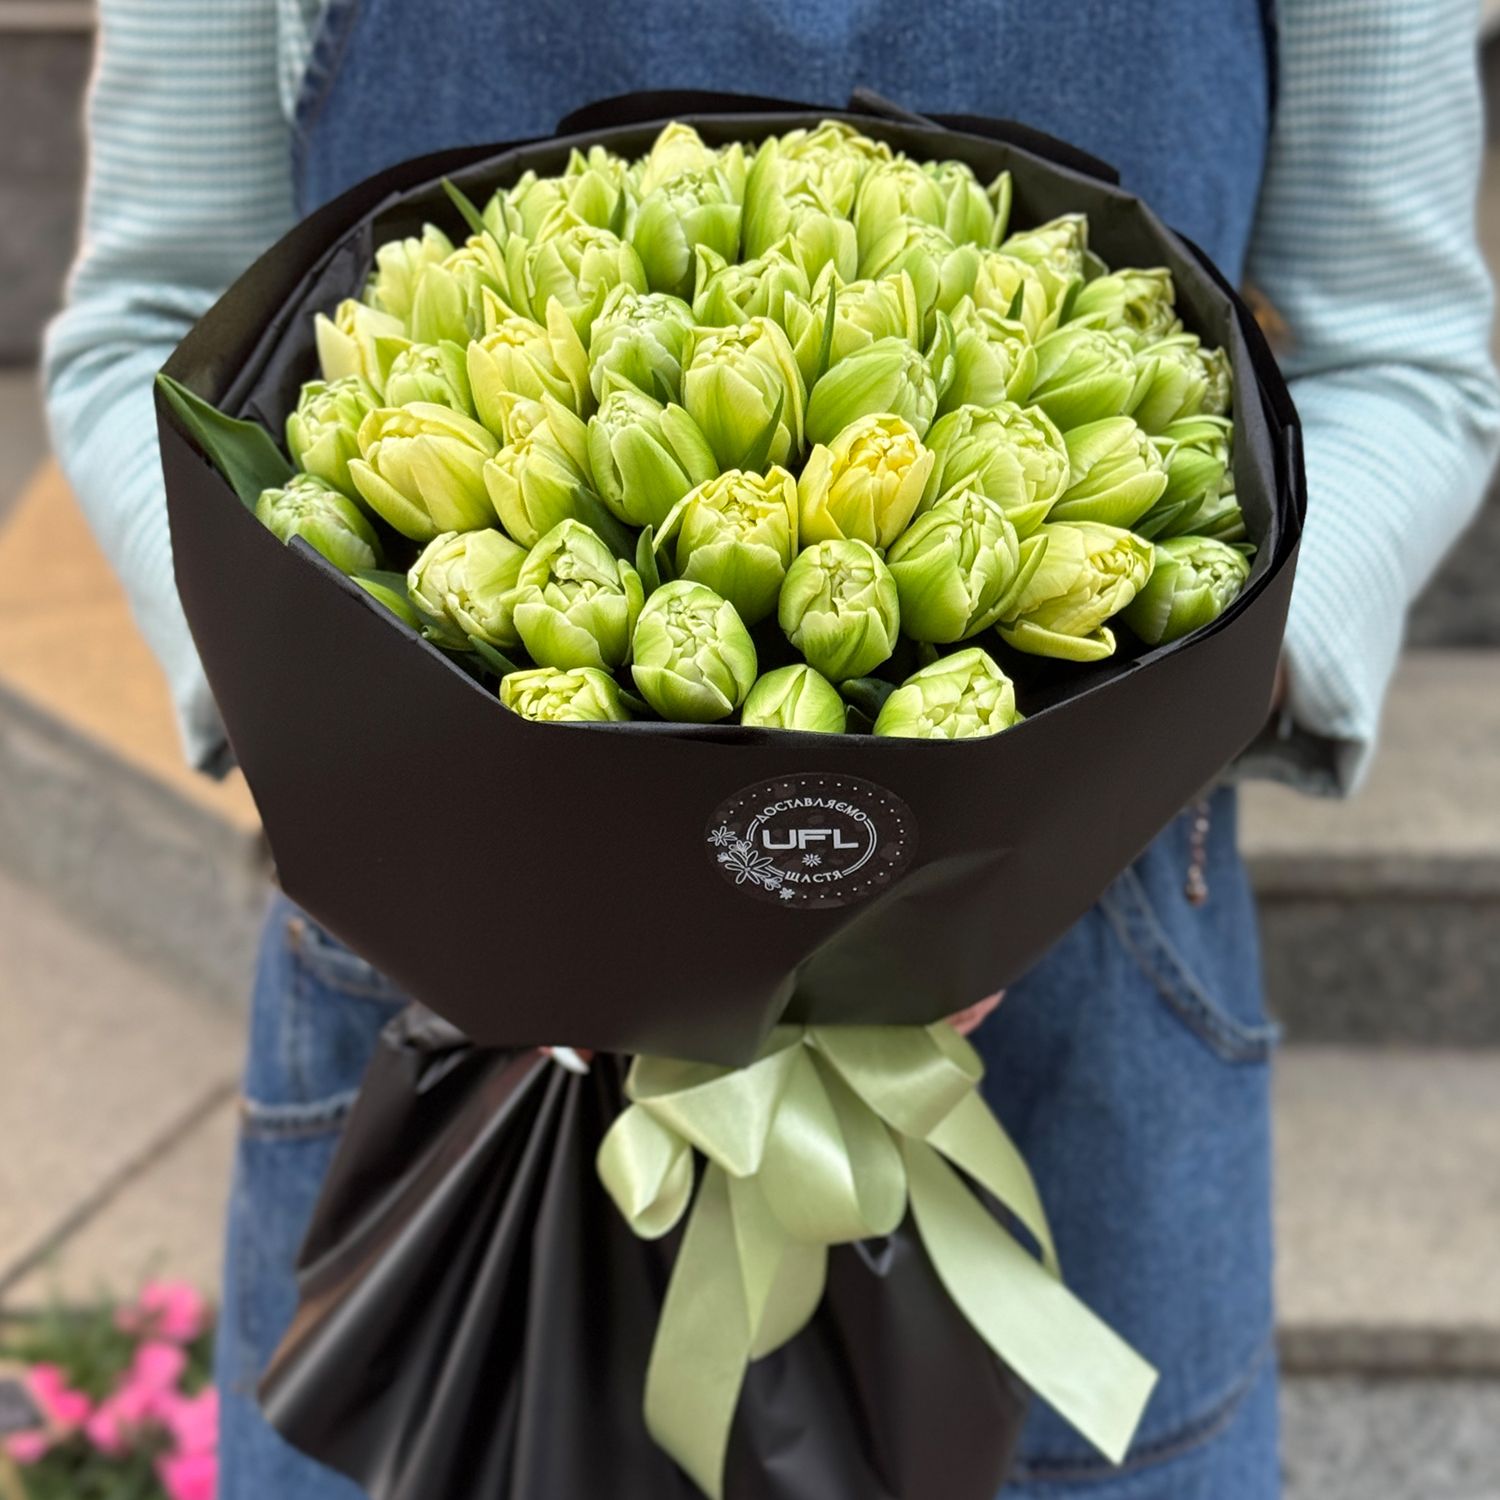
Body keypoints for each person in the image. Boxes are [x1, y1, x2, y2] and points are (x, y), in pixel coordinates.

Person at [44, 2, 1499, 1497]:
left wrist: (1103, 767)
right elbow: (147, 328)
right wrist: (380, 744)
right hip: (437, 1050)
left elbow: (1407, 359)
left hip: (1077, 1027)